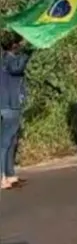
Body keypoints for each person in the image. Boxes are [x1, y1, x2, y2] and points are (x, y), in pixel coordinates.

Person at [0, 33, 31, 190]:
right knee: (5, 142)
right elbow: (16, 69)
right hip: (9, 105)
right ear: (14, 45)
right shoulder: (9, 60)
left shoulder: (6, 58)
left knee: (11, 141)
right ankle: (2, 177)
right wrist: (28, 53)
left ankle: (10, 175)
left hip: (10, 105)